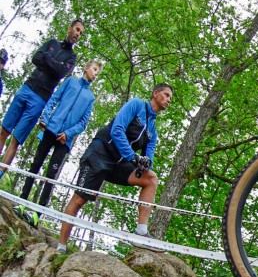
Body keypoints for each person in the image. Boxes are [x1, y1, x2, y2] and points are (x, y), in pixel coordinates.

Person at [56, 83, 173, 254]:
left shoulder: (153, 130)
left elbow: (149, 156)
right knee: (80, 199)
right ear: (155, 93)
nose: (169, 100)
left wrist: (145, 163)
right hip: (100, 154)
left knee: (151, 178)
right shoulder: (136, 105)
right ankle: (60, 247)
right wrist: (132, 157)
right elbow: (117, 130)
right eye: (166, 94)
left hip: (120, 163)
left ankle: (141, 232)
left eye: (170, 98)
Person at [18, 61, 102, 216]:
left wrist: (68, 134)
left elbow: (83, 123)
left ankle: (38, 213)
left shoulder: (90, 97)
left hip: (65, 140)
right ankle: (22, 201)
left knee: (51, 174)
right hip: (51, 129)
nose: (95, 74)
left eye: (98, 73)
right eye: (94, 69)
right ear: (86, 67)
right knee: (36, 164)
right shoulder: (70, 81)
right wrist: (45, 118)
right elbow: (54, 99)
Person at [0, 20, 83, 177]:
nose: (78, 34)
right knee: (3, 131)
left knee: (16, 141)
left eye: (81, 33)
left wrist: (47, 59)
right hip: (27, 88)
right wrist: (51, 62)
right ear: (69, 28)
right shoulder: (52, 43)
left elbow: (60, 72)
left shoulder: (71, 57)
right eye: (77, 30)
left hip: (40, 98)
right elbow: (35, 58)